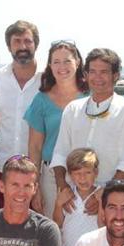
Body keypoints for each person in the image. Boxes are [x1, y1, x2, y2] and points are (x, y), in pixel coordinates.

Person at [50, 48, 124, 193]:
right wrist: (62, 187)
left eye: (104, 72)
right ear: (86, 75)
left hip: (110, 199)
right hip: (72, 198)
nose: (97, 77)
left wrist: (105, 196)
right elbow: (60, 154)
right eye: (93, 72)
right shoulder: (72, 109)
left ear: (116, 75)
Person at [26, 40, 88, 216]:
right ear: (50, 66)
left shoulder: (91, 95)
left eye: (67, 61)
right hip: (51, 177)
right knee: (53, 230)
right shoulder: (41, 100)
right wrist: (35, 186)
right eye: (56, 61)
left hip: (87, 173)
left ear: (77, 62)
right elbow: (35, 147)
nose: (62, 66)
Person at [0, 21, 42, 205]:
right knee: (7, 227)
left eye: (28, 41)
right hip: (6, 166)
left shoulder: (48, 78)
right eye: (17, 41)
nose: (22, 47)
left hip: (40, 169)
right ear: (9, 46)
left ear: (36, 44)